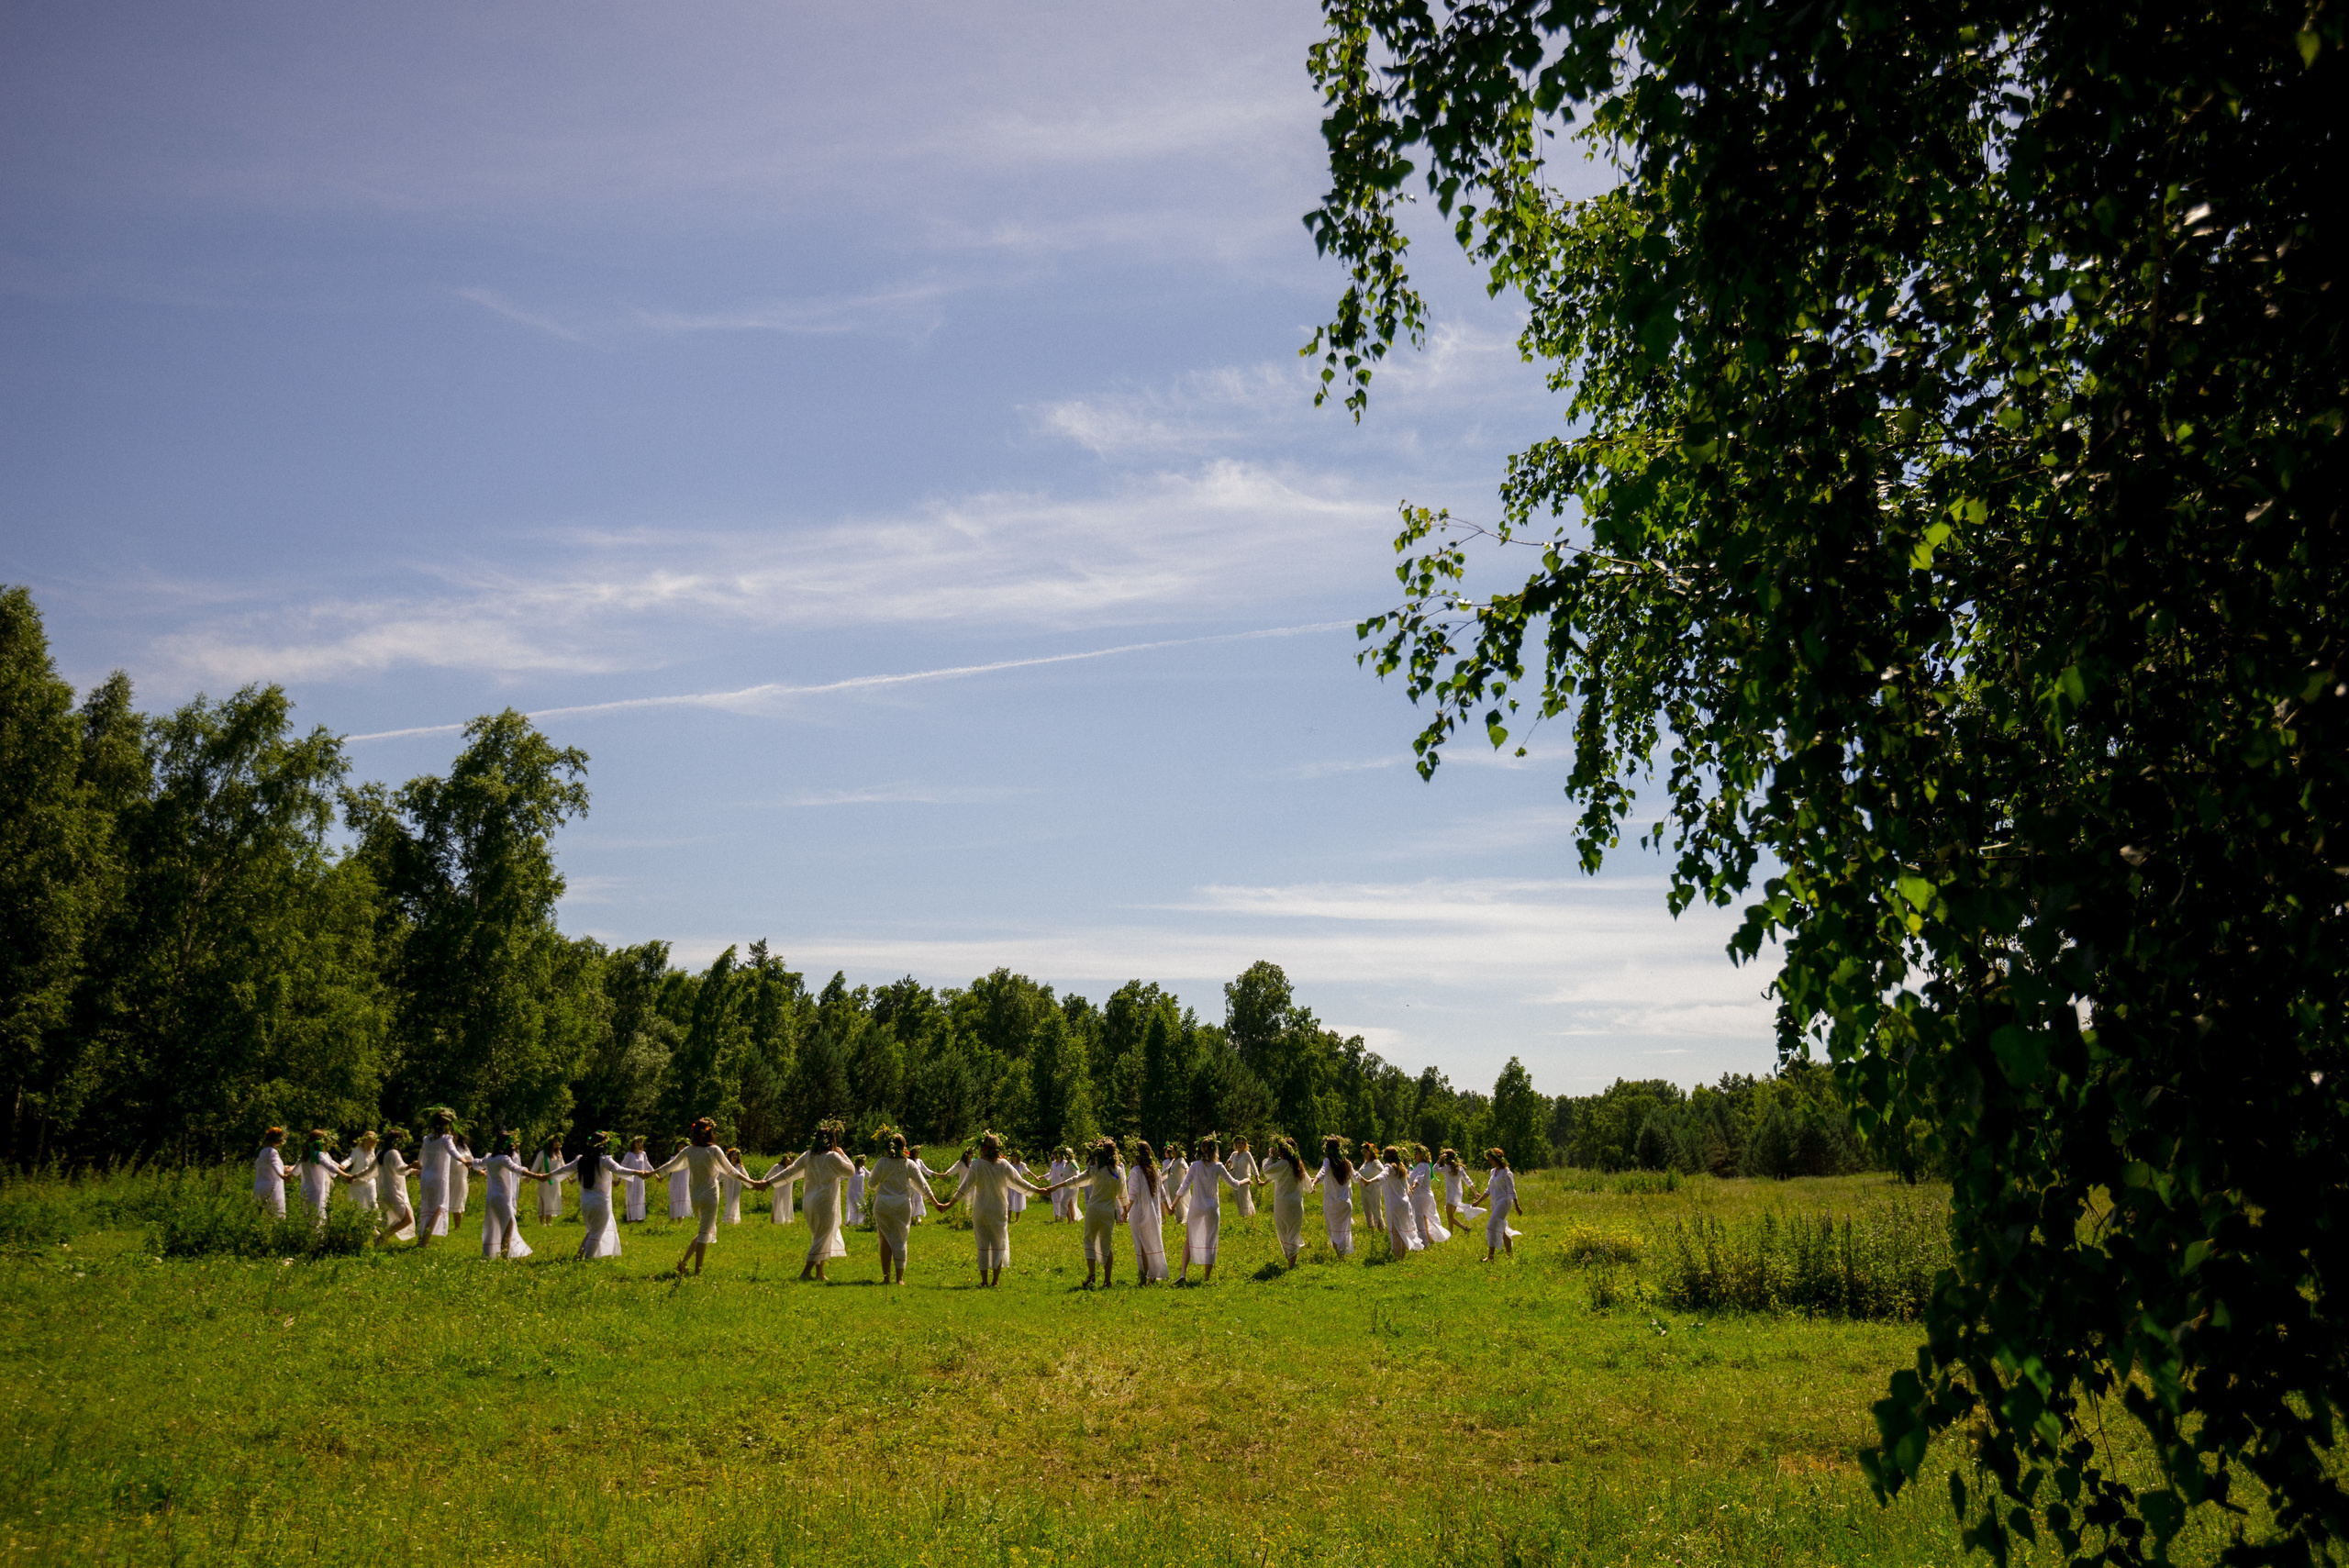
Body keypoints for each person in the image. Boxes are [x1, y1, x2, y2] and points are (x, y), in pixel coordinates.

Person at [937, 1131, 1062, 1286]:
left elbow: (964, 1187)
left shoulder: (977, 1165)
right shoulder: (1003, 1164)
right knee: (998, 1244)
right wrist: (1039, 1190)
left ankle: (984, 1281)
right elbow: (1020, 1182)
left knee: (982, 1245)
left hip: (981, 1211)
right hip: (998, 1210)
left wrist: (949, 1204)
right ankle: (995, 1281)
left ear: (983, 1147)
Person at [645, 1118, 758, 1276]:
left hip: (695, 1197)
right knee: (705, 1232)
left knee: (704, 1230)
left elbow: (669, 1166)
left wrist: (651, 1173)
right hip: (710, 1195)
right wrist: (752, 1182)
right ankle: (697, 1271)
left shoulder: (689, 1151)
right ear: (710, 1132)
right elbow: (732, 1171)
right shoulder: (714, 1150)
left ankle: (683, 1264)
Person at [760, 1123, 855, 1280]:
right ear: (831, 1141)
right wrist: (843, 1154)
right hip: (824, 1202)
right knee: (822, 1236)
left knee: (819, 1235)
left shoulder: (809, 1155)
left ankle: (820, 1273)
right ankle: (806, 1272)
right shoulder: (832, 1157)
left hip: (809, 1201)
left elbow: (789, 1172)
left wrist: (768, 1182)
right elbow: (850, 1171)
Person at [866, 1132, 948, 1284]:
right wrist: (936, 1203)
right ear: (904, 1147)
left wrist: (882, 1183)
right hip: (902, 1206)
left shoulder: (882, 1162)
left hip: (883, 1204)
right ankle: (900, 1279)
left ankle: (886, 1278)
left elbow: (871, 1184)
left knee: (884, 1240)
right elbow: (923, 1185)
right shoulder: (909, 1164)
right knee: (900, 1240)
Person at [1170, 1135, 1251, 1285]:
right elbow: (1234, 1184)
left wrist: (1173, 1205)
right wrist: (1245, 1180)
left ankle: (1182, 1273)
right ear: (1215, 1150)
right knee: (1210, 1241)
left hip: (1196, 1207)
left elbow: (1184, 1186)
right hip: (1211, 1208)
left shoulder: (1194, 1165)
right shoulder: (1218, 1166)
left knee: (1189, 1240)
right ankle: (1206, 1278)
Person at [552, 1131, 627, 1260]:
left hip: (586, 1204)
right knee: (596, 1233)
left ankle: (579, 1255)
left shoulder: (581, 1160)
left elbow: (564, 1169)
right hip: (601, 1203)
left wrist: (546, 1176)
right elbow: (620, 1170)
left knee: (592, 1231)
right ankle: (588, 1258)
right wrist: (640, 1173)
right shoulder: (604, 1160)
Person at [476, 1129, 546, 1260]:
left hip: (491, 1198)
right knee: (508, 1228)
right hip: (502, 1197)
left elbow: (476, 1164)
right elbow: (518, 1170)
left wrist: (465, 1161)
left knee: (494, 1225)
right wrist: (536, 1176)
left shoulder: (490, 1158)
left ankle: (490, 1253)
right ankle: (504, 1257)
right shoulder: (504, 1159)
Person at [1072, 1138, 1128, 1286]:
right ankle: (1107, 1280)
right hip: (1108, 1211)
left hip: (1093, 1209)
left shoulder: (1095, 1170)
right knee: (1106, 1244)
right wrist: (1125, 1211)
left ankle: (1091, 1274)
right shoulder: (1118, 1171)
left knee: (1089, 1239)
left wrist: (1054, 1188)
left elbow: (1078, 1180)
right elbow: (1122, 1194)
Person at [1255, 1135, 1315, 1265]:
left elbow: (1267, 1170)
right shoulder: (1298, 1164)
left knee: (1283, 1232)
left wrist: (1269, 1157)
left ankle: (1290, 1261)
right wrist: (1311, 1189)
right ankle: (1291, 1263)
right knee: (1293, 1233)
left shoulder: (1283, 1164)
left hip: (1282, 1204)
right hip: (1296, 1204)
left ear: (1282, 1151)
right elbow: (1308, 1182)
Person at [1125, 1139, 1174, 1284]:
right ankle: (1152, 1276)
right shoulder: (1156, 1170)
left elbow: (1132, 1194)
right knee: (1152, 1242)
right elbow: (1162, 1193)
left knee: (1142, 1245)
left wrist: (1125, 1212)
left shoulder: (1135, 1171)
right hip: (1154, 1213)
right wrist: (1169, 1208)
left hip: (1139, 1212)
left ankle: (1144, 1275)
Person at [417, 1109, 463, 1243]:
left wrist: (418, 1166)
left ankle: (422, 1237)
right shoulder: (446, 1139)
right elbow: (453, 1152)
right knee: (438, 1208)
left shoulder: (427, 1139)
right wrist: (464, 1161)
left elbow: (421, 1158)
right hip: (438, 1178)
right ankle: (424, 1241)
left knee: (427, 1207)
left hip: (425, 1177)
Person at [1478, 1147, 1524, 1262]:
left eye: (1491, 1159)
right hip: (1495, 1201)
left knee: (1491, 1226)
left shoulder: (1506, 1172)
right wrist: (1478, 1201)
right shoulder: (1493, 1172)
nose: (1490, 1162)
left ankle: (1491, 1256)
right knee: (1502, 1229)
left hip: (1504, 1202)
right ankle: (1510, 1255)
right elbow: (1489, 1190)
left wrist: (1517, 1205)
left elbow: (1512, 1190)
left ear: (1496, 1159)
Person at [374, 1127, 417, 1243]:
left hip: (383, 1191)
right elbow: (400, 1169)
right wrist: (411, 1165)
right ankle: (382, 1238)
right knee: (408, 1220)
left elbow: (390, 1169)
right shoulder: (394, 1153)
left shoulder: (380, 1153)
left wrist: (411, 1170)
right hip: (393, 1191)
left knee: (401, 1218)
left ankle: (383, 1238)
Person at [1316, 1135, 1356, 1257]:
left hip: (1331, 1203)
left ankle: (1340, 1255)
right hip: (1345, 1203)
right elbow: (1357, 1178)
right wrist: (1367, 1180)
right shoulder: (1347, 1163)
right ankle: (1341, 1255)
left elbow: (1322, 1172)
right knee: (1343, 1231)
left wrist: (1314, 1182)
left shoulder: (1327, 1161)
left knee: (1333, 1231)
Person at [297, 1129, 349, 1224]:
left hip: (305, 1189)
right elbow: (330, 1166)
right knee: (318, 1217)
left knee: (308, 1216)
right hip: (317, 1190)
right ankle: (318, 1237)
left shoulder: (305, 1154)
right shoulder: (318, 1154)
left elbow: (295, 1170)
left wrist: (287, 1175)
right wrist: (346, 1176)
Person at [1409, 1145, 1451, 1246]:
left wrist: (1413, 1186)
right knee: (1423, 1219)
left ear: (1422, 1155)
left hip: (1421, 1197)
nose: (1414, 1155)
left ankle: (1425, 1243)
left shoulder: (1422, 1166)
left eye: (1417, 1154)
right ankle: (1427, 1239)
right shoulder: (1422, 1165)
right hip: (1422, 1196)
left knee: (1419, 1220)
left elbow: (1419, 1177)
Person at [1439, 1148, 1484, 1231]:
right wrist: (1475, 1192)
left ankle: (1465, 1228)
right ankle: (1451, 1233)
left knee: (1450, 1217)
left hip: (1450, 1195)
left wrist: (1439, 1160)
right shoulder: (1460, 1168)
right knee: (1451, 1216)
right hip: (1458, 1194)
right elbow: (1467, 1180)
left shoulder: (1448, 1168)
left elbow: (1434, 1170)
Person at [251, 1127, 293, 1219]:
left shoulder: (262, 1151)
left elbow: (274, 1166)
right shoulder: (272, 1151)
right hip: (271, 1187)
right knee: (274, 1216)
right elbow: (275, 1164)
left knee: (260, 1216)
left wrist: (294, 1167)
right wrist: (282, 1175)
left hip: (259, 1186)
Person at [343, 1131, 380, 1214]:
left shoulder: (372, 1152)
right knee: (359, 1204)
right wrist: (342, 1166)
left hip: (370, 1181)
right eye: (370, 1141)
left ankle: (374, 1224)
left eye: (373, 1141)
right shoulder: (357, 1150)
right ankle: (360, 1224)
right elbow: (350, 1159)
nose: (372, 1143)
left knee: (372, 1202)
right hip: (357, 1181)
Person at [533, 1135, 566, 1224]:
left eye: (557, 1141)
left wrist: (569, 1178)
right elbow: (535, 1167)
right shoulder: (542, 1154)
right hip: (544, 1180)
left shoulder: (558, 1154)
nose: (557, 1143)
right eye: (555, 1141)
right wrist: (529, 1176)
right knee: (544, 1200)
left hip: (555, 1181)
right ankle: (542, 1221)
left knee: (552, 1200)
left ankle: (549, 1221)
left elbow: (564, 1167)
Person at [619, 1137, 651, 1222]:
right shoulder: (629, 1154)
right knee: (631, 1197)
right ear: (633, 1143)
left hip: (641, 1180)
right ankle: (630, 1218)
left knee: (639, 1197)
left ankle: (638, 1218)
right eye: (637, 1142)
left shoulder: (643, 1154)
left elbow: (647, 1165)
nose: (639, 1144)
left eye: (640, 1142)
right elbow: (622, 1167)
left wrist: (655, 1174)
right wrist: (619, 1179)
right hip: (631, 1179)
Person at [1226, 1137, 1260, 1218]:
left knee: (1244, 1198)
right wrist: (1227, 1164)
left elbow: (1254, 1167)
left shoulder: (1247, 1154)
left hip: (1245, 1179)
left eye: (1242, 1143)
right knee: (1238, 1199)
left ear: (1245, 1145)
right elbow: (1228, 1167)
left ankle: (1248, 1217)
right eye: (1239, 1143)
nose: (1240, 1145)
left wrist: (1257, 1178)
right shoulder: (1234, 1154)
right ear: (1236, 1144)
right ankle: (1242, 1217)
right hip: (1235, 1179)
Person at [1356, 1139, 1385, 1233]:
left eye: (1366, 1152)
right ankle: (1371, 1230)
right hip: (1364, 1190)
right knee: (1367, 1211)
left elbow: (1383, 1171)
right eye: (1363, 1152)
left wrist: (1375, 1181)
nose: (1364, 1153)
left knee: (1376, 1210)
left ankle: (1381, 1229)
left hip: (1373, 1190)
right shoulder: (1365, 1163)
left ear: (1371, 1152)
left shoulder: (1375, 1162)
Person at [1046, 1147, 1079, 1222]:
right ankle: (1072, 1220)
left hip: (1071, 1185)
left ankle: (1065, 1218)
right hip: (1066, 1186)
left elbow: (1077, 1173)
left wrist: (1077, 1181)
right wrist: (1062, 1174)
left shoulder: (1072, 1163)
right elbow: (1066, 1171)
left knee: (1064, 1202)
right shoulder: (1066, 1163)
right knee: (1069, 1203)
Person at [766, 1151, 799, 1225]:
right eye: (788, 1160)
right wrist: (762, 1183)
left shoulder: (792, 1168)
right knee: (776, 1203)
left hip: (788, 1188)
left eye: (791, 1161)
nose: (789, 1162)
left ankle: (785, 1220)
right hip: (779, 1188)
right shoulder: (777, 1166)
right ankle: (773, 1222)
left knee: (786, 1203)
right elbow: (768, 1175)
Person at [665, 1133, 693, 1222]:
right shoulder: (673, 1158)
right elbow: (668, 1169)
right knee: (674, 1200)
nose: (681, 1148)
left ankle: (680, 1221)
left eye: (683, 1147)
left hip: (684, 1183)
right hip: (674, 1182)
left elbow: (693, 1171)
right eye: (680, 1147)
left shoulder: (689, 1159)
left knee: (682, 1201)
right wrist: (661, 1177)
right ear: (677, 1148)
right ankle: (672, 1221)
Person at [448, 1130, 473, 1226]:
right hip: (446, 1177)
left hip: (459, 1178)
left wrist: (480, 1171)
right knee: (444, 1202)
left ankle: (457, 1227)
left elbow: (471, 1161)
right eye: (451, 1134)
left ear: (458, 1136)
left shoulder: (463, 1148)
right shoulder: (445, 1146)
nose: (453, 1136)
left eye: (455, 1134)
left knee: (458, 1201)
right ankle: (442, 1227)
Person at [722, 1146, 747, 1224]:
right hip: (727, 1185)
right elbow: (720, 1175)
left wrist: (751, 1183)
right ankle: (727, 1219)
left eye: (736, 1155)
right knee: (729, 1201)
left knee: (735, 1201)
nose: (735, 1156)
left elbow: (745, 1176)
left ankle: (734, 1220)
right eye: (733, 1155)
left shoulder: (739, 1166)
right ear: (730, 1156)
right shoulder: (726, 1166)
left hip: (737, 1186)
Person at [846, 1154, 868, 1226]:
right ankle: (853, 1223)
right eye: (863, 1162)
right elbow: (842, 1176)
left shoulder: (863, 1169)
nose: (864, 1163)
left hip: (860, 1192)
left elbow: (870, 1175)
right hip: (852, 1192)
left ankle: (861, 1223)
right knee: (855, 1208)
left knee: (862, 1207)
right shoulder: (852, 1169)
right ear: (860, 1162)